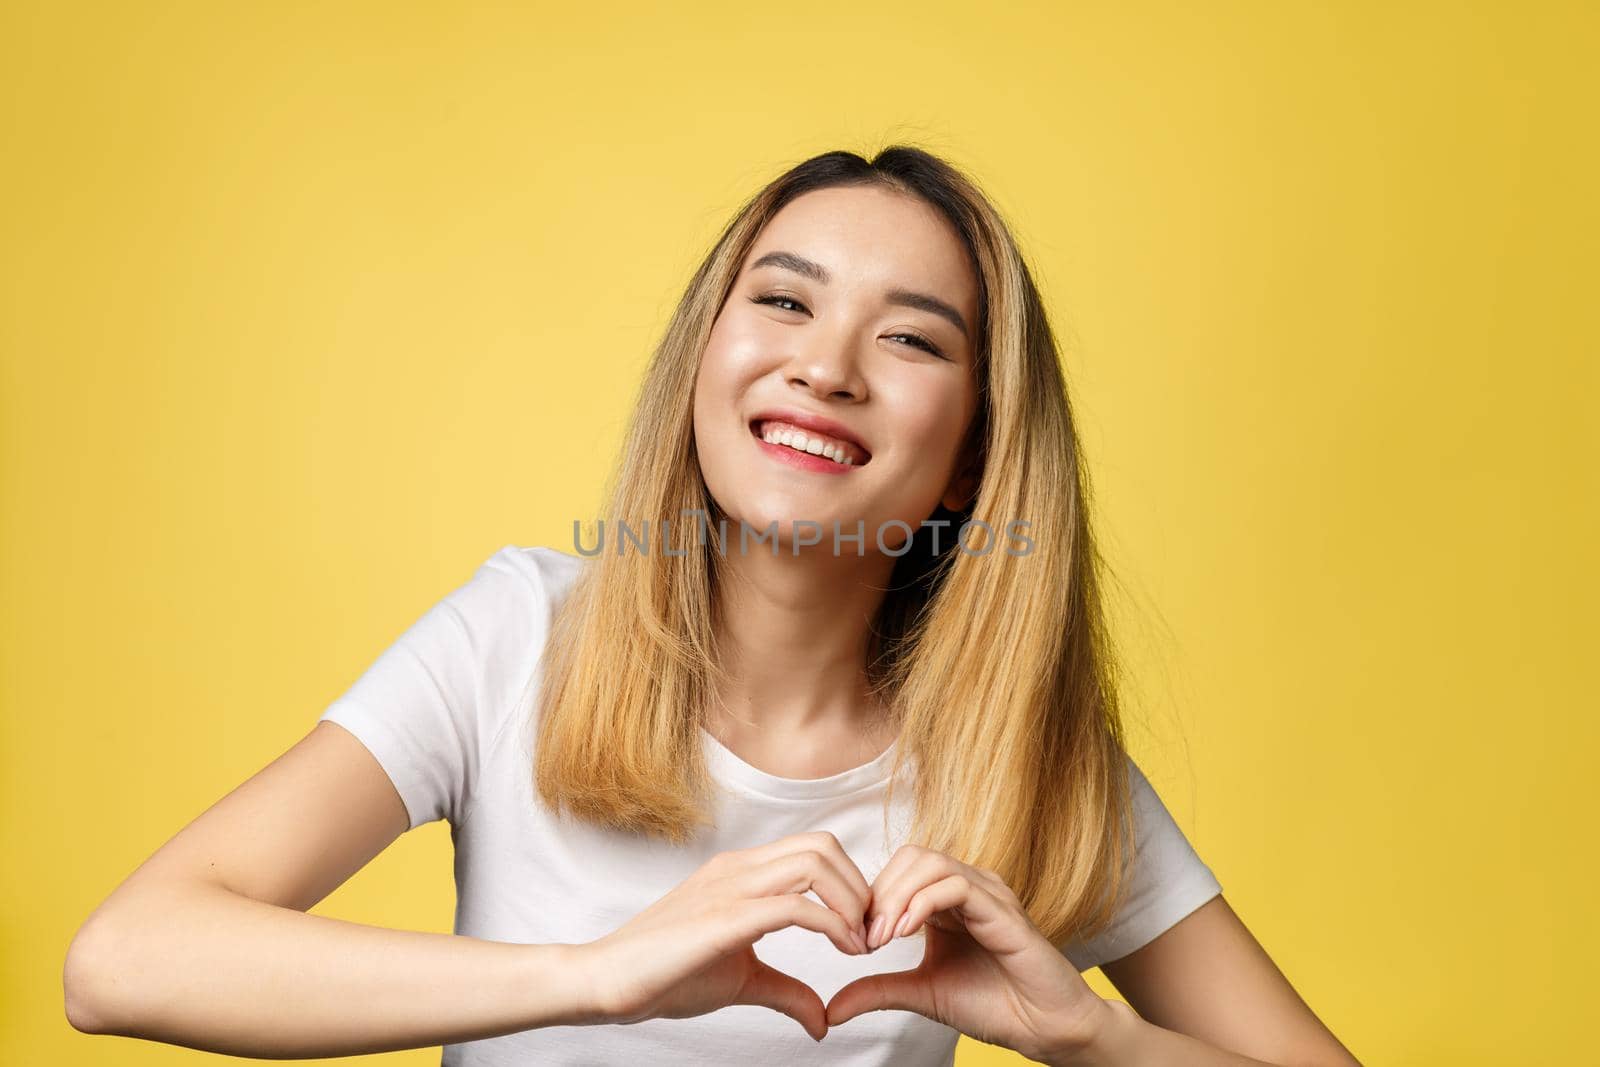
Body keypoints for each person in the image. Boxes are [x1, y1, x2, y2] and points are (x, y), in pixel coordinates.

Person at [63, 146, 1361, 1066]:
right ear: (706, 364)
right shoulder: (518, 634)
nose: (823, 364)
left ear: (975, 448)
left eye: (910, 339)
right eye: (785, 301)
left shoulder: (1023, 762)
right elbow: (124, 964)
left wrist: (1088, 1038)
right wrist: (596, 978)